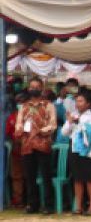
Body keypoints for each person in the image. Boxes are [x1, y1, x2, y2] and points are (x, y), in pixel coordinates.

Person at [15, 87, 57, 215]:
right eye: (31, 87)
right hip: (27, 144)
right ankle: (32, 204)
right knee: (30, 176)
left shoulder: (48, 105)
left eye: (35, 87)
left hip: (43, 143)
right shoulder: (24, 106)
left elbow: (53, 124)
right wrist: (20, 129)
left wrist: (42, 131)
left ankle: (49, 205)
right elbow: (19, 122)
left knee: (46, 175)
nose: (33, 89)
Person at [62, 90, 91, 216]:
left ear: (88, 103)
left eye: (81, 101)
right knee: (77, 179)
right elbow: (64, 132)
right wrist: (70, 123)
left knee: (89, 179)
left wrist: (77, 122)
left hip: (87, 151)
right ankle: (78, 207)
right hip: (74, 149)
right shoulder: (73, 114)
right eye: (76, 101)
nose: (78, 104)